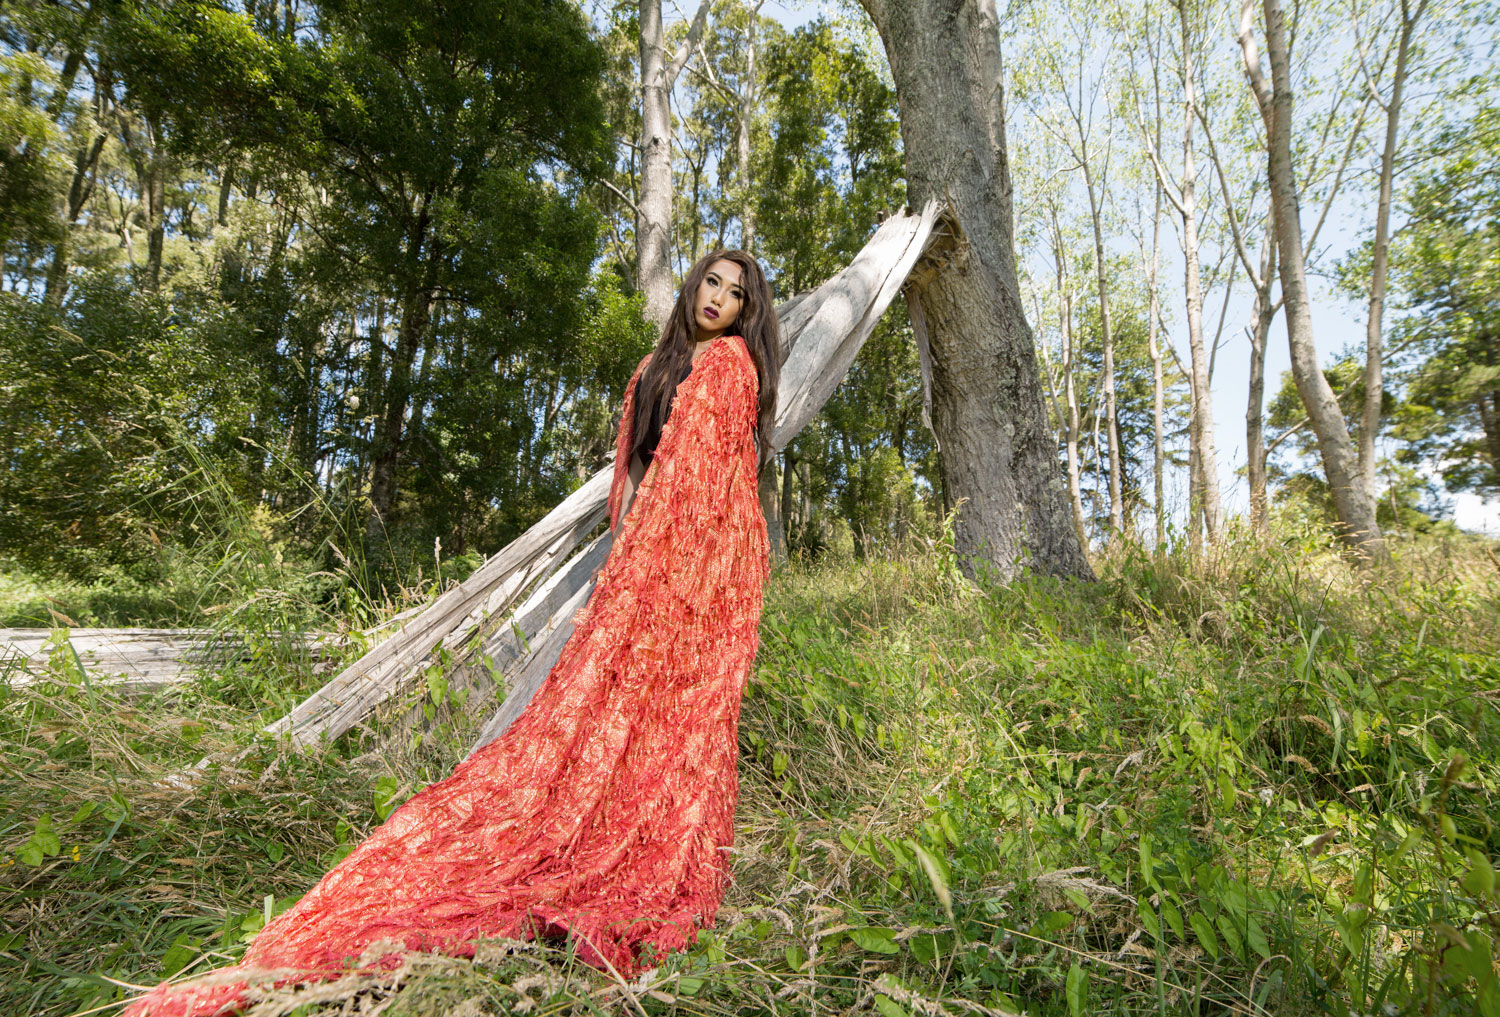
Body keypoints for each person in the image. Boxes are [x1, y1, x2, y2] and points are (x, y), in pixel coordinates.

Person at [124, 250, 780, 1016]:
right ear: (695, 282)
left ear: (745, 311)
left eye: (737, 294)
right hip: (638, 558)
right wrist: (624, 555)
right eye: (713, 281)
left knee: (667, 712)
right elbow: (635, 470)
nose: (720, 298)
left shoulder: (732, 366)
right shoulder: (654, 367)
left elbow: (714, 484)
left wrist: (666, 566)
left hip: (692, 574)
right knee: (597, 713)